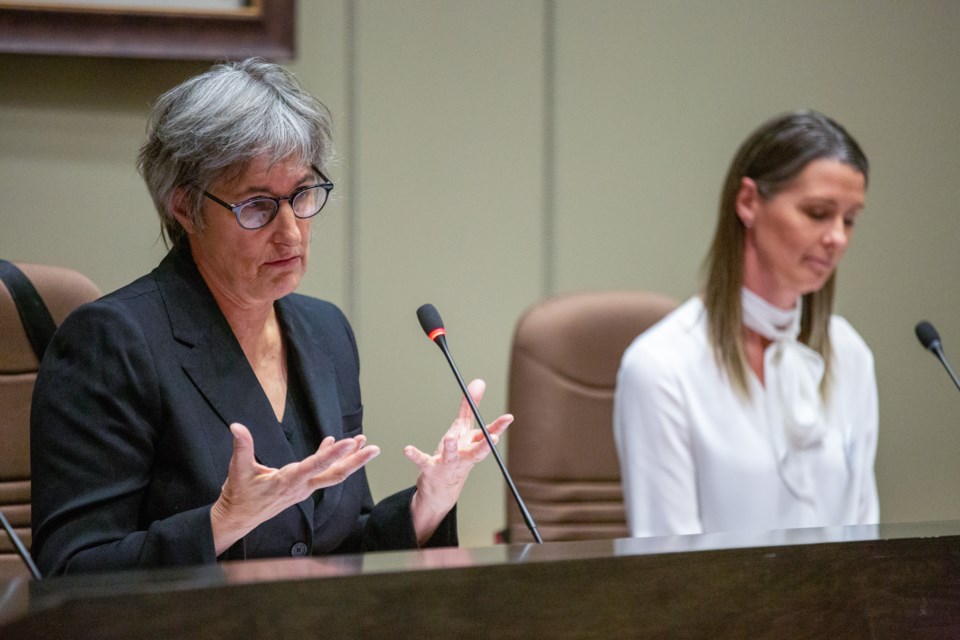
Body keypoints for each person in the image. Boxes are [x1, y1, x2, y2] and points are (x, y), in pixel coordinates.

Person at [29, 58, 512, 576]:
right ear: (186, 210)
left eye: (302, 195)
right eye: (257, 206)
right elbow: (70, 573)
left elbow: (341, 546)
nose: (290, 231)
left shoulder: (325, 334)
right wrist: (223, 521)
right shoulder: (113, 343)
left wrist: (429, 501)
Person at [613, 110, 879, 538]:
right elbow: (667, 569)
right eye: (817, 212)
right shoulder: (662, 366)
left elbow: (867, 537)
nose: (838, 238)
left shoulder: (850, 355)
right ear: (749, 202)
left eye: (849, 219)